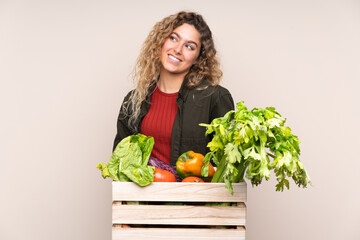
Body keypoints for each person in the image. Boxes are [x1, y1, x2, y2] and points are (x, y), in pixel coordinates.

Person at [113, 11, 234, 166]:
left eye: (189, 46)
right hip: (145, 191)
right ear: (161, 42)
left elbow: (228, 166)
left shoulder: (215, 98)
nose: (178, 49)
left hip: (194, 190)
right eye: (173, 38)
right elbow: (120, 163)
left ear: (198, 58)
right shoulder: (134, 100)